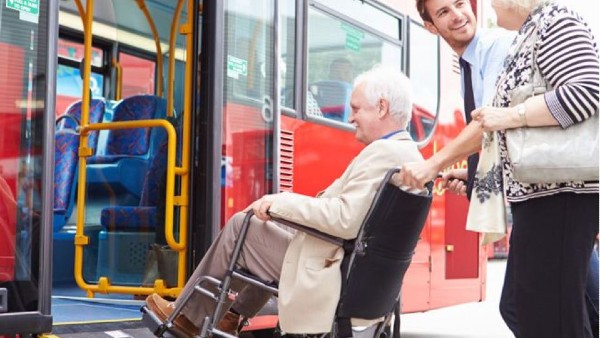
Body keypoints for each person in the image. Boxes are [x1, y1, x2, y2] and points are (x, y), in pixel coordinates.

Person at [145, 65, 423, 337]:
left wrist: (280, 202)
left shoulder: (384, 152)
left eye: (356, 109)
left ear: (382, 107)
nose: (351, 118)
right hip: (355, 269)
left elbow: (344, 220)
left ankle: (189, 319)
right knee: (274, 229)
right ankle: (231, 316)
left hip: (335, 271)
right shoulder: (407, 154)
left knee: (244, 226)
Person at [403, 0, 599, 337]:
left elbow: (585, 92)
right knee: (550, 311)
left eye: (461, 3)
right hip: (543, 192)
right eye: (444, 11)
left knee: (544, 312)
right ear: (431, 26)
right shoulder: (520, 36)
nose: (473, 10)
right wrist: (478, 173)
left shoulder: (537, 28)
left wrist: (435, 162)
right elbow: (509, 134)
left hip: (561, 190)